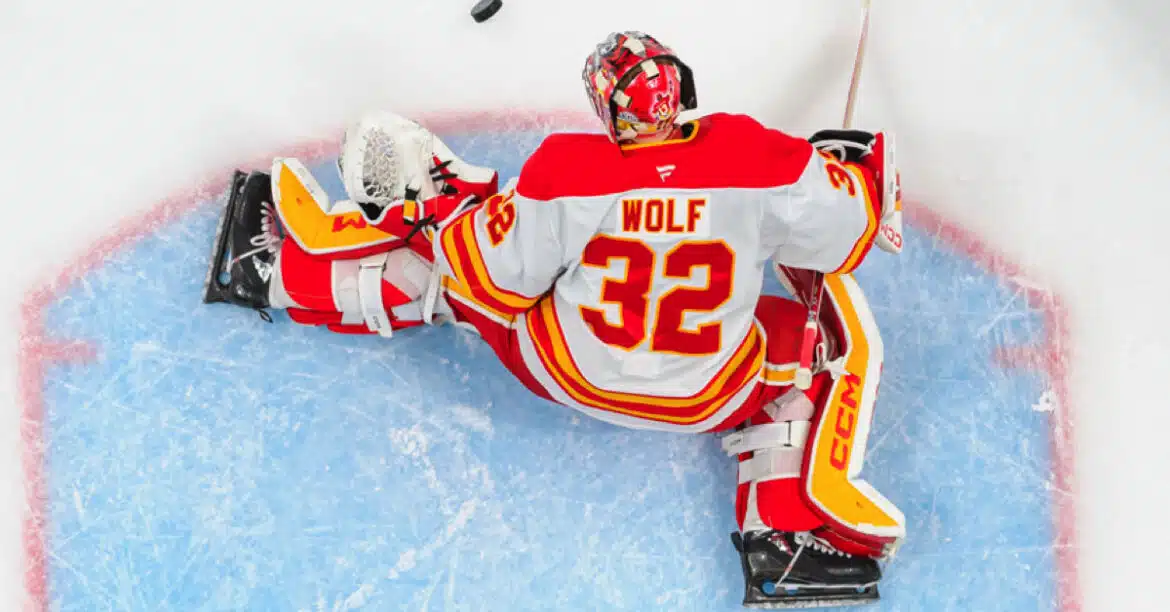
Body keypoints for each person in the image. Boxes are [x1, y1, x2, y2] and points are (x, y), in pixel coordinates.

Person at [204, 30, 905, 609]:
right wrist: (841, 172)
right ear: (681, 87)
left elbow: (491, 277)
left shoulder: (569, 172)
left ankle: (270, 273)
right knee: (801, 347)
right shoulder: (759, 157)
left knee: (452, 286)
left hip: (568, 368)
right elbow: (846, 238)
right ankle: (779, 545)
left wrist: (436, 214)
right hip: (706, 393)